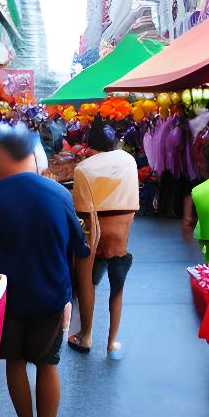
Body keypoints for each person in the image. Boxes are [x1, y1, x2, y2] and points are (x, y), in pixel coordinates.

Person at [0, 122, 90, 417]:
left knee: (15, 364)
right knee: (47, 364)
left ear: (5, 157)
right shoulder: (58, 194)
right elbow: (79, 248)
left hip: (7, 300)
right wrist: (70, 296)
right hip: (49, 295)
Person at [67, 116, 139, 356]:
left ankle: (86, 335)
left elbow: (79, 208)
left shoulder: (83, 169)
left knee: (85, 282)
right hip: (121, 237)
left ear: (90, 144)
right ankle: (112, 341)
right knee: (117, 287)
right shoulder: (128, 160)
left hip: (93, 232)